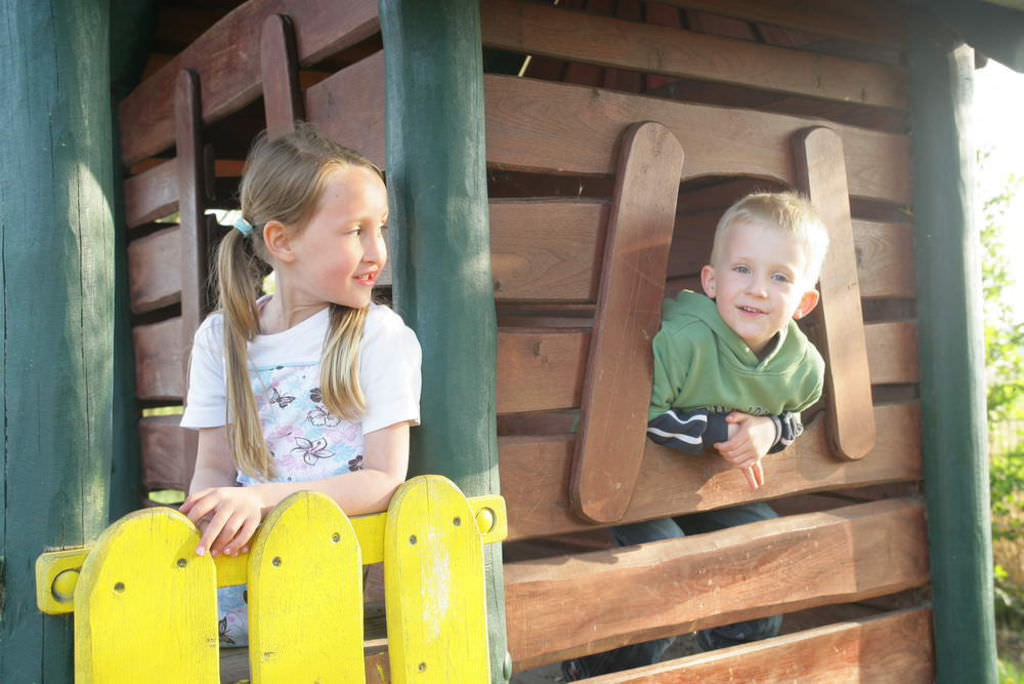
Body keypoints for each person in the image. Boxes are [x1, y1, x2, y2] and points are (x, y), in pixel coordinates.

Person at [563, 191, 828, 679]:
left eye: (780, 277)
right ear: (711, 280)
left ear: (803, 302)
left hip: (713, 494)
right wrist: (711, 429)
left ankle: (724, 666)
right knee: (666, 564)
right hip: (637, 484)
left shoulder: (803, 366)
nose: (757, 290)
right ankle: (592, 670)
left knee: (762, 543)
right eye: (742, 269)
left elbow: (798, 416)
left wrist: (770, 429)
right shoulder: (681, 340)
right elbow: (636, 415)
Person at [178, 123, 421, 647]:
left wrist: (261, 500)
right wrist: (212, 519)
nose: (377, 250)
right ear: (282, 242)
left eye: (380, 227)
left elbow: (383, 478)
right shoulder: (221, 339)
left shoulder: (375, 336)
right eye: (355, 231)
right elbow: (212, 469)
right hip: (222, 597)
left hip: (315, 600)